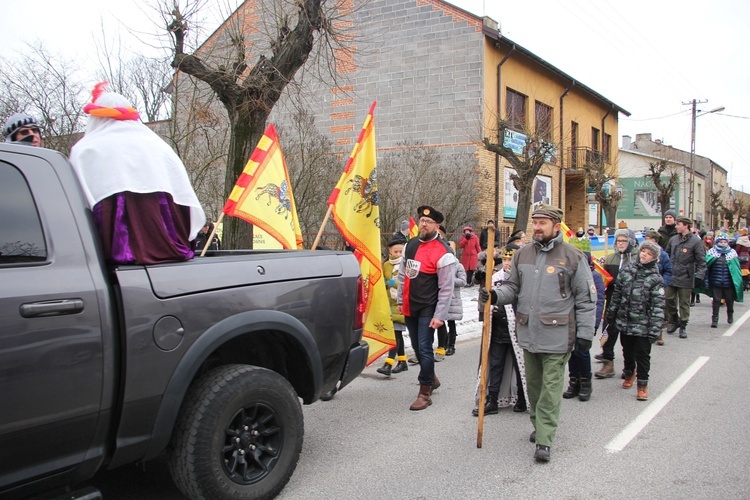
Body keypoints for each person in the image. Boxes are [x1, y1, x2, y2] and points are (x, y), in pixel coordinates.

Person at [481, 204, 596, 463]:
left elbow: (586, 299)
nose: (536, 227)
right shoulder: (523, 255)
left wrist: (585, 334)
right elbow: (512, 288)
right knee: (533, 387)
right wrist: (495, 295)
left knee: (551, 388)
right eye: (535, 222)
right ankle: (539, 424)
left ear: (556, 226)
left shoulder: (573, 256)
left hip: (558, 335)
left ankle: (544, 439)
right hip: (528, 334)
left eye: (542, 223)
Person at [70, 82, 204, 265]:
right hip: (171, 249)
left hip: (108, 258)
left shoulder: (85, 150)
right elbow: (184, 201)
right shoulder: (160, 147)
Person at [398, 205, 456, 411]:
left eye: (428, 222)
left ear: (437, 226)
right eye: (421, 220)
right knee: (415, 346)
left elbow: (447, 288)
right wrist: (399, 301)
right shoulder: (410, 245)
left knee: (424, 347)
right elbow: (403, 276)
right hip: (410, 305)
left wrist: (440, 315)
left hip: (429, 307)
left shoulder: (444, 252)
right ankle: (432, 378)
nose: (423, 224)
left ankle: (424, 392)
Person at [605, 240, 666, 401]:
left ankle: (642, 385)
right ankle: (629, 372)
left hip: (644, 324)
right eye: (643, 251)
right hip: (625, 321)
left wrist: (655, 329)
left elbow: (658, 306)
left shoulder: (655, 278)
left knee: (643, 355)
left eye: (649, 253)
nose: (644, 255)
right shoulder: (627, 270)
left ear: (654, 258)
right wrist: (611, 314)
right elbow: (617, 294)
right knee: (627, 350)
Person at [473, 246, 527, 416]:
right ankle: (492, 399)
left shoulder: (523, 279)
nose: (507, 263)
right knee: (496, 364)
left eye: (511, 260)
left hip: (518, 329)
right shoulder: (494, 278)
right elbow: (486, 302)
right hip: (498, 329)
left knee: (520, 365)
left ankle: (522, 398)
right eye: (505, 259)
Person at [594, 228, 638, 378]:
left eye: (624, 240)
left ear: (630, 242)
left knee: (629, 337)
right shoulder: (610, 258)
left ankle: (629, 367)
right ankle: (608, 362)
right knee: (607, 332)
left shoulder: (637, 258)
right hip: (613, 300)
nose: (620, 243)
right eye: (618, 240)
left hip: (631, 302)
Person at [563, 252, 604, 402]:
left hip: (585, 320)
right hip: (569, 320)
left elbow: (597, 301)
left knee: (582, 352)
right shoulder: (569, 276)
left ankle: (586, 382)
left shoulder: (595, 276)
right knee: (572, 353)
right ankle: (574, 381)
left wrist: (594, 323)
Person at [664, 216, 706, 339]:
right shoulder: (673, 240)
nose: (676, 226)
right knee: (669, 299)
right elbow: (666, 256)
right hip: (672, 275)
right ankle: (674, 319)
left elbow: (701, 261)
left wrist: (700, 276)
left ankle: (683, 325)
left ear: (686, 226)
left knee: (684, 303)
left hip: (686, 276)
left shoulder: (696, 241)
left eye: (678, 224)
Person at [377, 236, 409, 376]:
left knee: (396, 333)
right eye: (395, 251)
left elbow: (407, 283)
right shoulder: (386, 265)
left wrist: (393, 283)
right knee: (397, 333)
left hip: (400, 304)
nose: (398, 254)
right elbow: (383, 281)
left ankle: (388, 363)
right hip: (389, 303)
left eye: (400, 251)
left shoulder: (406, 264)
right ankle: (402, 361)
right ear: (390, 251)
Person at [435, 224, 466, 361]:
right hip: (442, 297)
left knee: (451, 323)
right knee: (441, 322)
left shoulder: (458, 266)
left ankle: (451, 345)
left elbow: (463, 281)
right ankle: (443, 343)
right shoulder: (440, 265)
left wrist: (449, 279)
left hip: (453, 299)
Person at [702, 232, 744, 327]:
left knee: (729, 301)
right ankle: (715, 320)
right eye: (721, 242)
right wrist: (707, 281)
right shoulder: (712, 253)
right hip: (715, 282)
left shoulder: (732, 253)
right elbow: (707, 268)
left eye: (725, 242)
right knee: (716, 301)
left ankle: (730, 314)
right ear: (717, 243)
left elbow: (736, 270)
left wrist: (737, 282)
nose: (723, 244)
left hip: (728, 283)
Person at [644, 229, 673, 345]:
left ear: (654, 240)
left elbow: (668, 271)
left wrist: (663, 283)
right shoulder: (641, 253)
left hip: (657, 287)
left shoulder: (663, 254)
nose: (645, 241)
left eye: (648, 239)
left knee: (657, 310)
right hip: (644, 286)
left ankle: (659, 333)